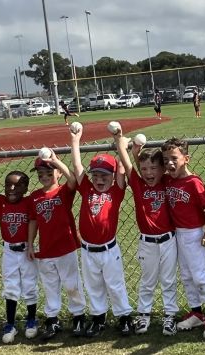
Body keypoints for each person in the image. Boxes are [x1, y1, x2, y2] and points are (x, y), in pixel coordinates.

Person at [69, 124, 135, 336]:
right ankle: (99, 318)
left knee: (115, 285)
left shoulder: (117, 190)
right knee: (94, 286)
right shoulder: (87, 187)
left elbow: (123, 169)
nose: (99, 180)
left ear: (112, 176)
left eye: (104, 176)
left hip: (109, 250)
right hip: (88, 250)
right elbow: (77, 166)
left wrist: (119, 140)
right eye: (96, 175)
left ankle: (124, 316)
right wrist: (76, 140)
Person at [162, 138, 205, 339]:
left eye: (174, 159)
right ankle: (197, 312)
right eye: (165, 160)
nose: (169, 164)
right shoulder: (169, 179)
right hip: (178, 234)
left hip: (194, 234)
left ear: (186, 159)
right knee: (187, 276)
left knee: (200, 275)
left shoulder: (194, 182)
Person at [116, 133, 179, 336]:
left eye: (153, 168)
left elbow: (176, 168)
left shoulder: (167, 181)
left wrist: (137, 153)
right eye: (144, 169)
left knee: (168, 280)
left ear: (162, 169)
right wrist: (121, 141)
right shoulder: (138, 183)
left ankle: (170, 316)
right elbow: (127, 164)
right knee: (148, 280)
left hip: (169, 240)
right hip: (147, 242)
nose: (149, 173)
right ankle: (144, 315)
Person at [0, 150, 40, 343]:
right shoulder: (1, 201)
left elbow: (33, 221)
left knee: (29, 285)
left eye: (17, 185)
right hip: (9, 251)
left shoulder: (29, 202)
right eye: (8, 185)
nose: (11, 188)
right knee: (10, 287)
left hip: (26, 249)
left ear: (26, 187)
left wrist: (30, 245)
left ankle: (31, 320)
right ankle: (10, 323)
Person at [27, 150, 87, 340]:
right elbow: (33, 221)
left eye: (49, 172)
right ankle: (52, 319)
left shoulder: (63, 192)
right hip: (45, 249)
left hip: (65, 246)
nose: (44, 176)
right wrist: (30, 244)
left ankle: (78, 316)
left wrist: (56, 161)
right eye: (40, 174)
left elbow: (73, 180)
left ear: (58, 173)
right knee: (50, 285)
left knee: (72, 284)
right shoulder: (34, 197)